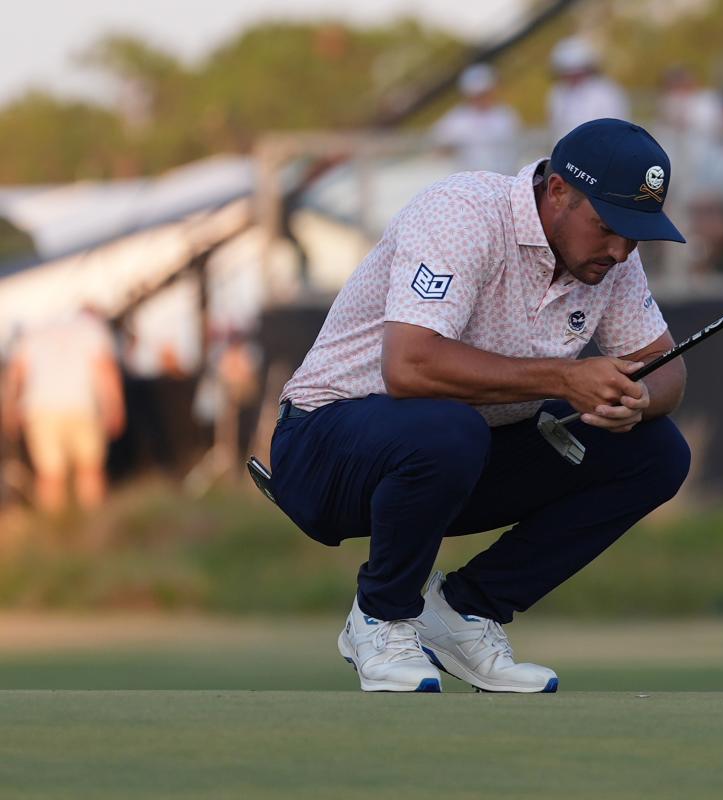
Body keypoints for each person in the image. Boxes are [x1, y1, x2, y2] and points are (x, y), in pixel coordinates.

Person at [269, 119, 691, 693]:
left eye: (635, 234)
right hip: (324, 449)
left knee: (656, 451)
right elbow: (410, 367)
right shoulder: (462, 212)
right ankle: (382, 616)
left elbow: (666, 367)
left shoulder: (606, 258)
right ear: (559, 190)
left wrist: (638, 398)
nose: (620, 249)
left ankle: (465, 610)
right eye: (609, 227)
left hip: (457, 454)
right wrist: (567, 378)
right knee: (449, 427)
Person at [0, 307, 125, 512]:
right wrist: (115, 407)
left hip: (41, 409)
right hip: (83, 405)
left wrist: (10, 409)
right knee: (90, 469)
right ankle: (94, 526)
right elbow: (106, 371)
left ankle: (55, 532)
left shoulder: (33, 331)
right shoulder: (92, 329)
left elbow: (16, 375)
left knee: (49, 475)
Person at [430, 63, 520, 174]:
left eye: (486, 92)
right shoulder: (456, 119)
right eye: (478, 94)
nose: (482, 98)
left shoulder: (506, 115)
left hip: (503, 179)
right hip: (471, 185)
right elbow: (438, 150)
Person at [546, 37, 630, 140]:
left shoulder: (607, 93)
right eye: (567, 73)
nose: (572, 78)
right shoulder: (557, 92)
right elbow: (556, 129)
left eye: (576, 73)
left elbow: (616, 130)